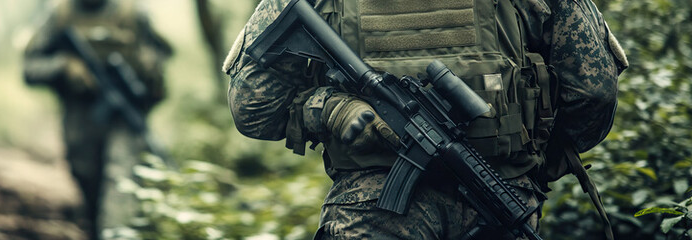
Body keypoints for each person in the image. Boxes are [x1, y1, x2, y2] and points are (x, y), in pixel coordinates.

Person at [224, 0, 628, 239]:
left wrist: (324, 108)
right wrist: (531, 162)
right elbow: (593, 91)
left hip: (372, 210)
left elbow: (253, 107)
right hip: (504, 191)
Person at [23, 0, 170, 238]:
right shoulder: (60, 15)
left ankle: (115, 232)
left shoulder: (132, 13)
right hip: (80, 117)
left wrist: (147, 62)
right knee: (87, 177)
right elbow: (30, 68)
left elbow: (163, 54)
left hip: (124, 116)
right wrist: (64, 67)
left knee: (121, 184)